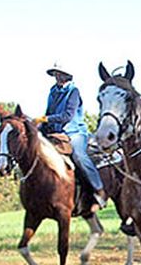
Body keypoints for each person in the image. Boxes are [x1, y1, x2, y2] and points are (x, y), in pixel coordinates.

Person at [35, 62, 107, 209]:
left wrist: (46, 119)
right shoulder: (53, 91)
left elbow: (67, 116)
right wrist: (38, 127)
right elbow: (49, 112)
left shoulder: (74, 91)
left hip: (74, 132)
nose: (57, 77)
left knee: (79, 156)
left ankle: (99, 189)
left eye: (60, 74)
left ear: (67, 75)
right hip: (55, 132)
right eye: (55, 74)